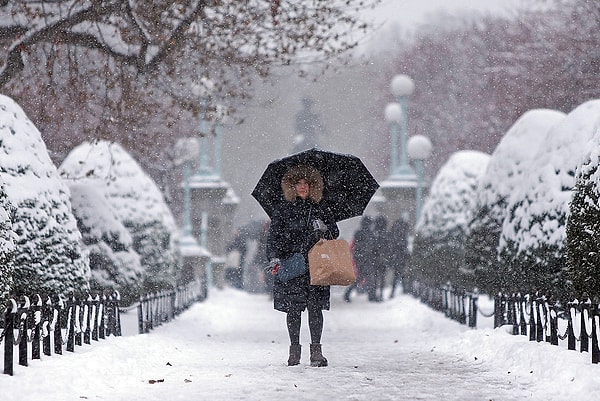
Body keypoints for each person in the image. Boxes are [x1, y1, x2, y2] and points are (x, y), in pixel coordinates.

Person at [266, 164, 339, 367]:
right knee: (293, 309)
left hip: (317, 265)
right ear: (291, 186)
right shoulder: (283, 209)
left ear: (313, 185)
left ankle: (316, 350)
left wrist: (324, 227)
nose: (303, 186)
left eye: (307, 183)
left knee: (315, 309)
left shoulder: (321, 207)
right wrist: (274, 257)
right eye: (298, 183)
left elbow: (335, 232)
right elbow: (273, 237)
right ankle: (294, 350)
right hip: (292, 264)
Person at [344, 216, 373, 302]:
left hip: (358, 257)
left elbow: (353, 245)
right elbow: (371, 246)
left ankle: (347, 294)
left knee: (361, 276)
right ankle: (371, 296)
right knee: (368, 276)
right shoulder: (369, 233)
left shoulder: (358, 233)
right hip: (366, 258)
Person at [388, 214, 410, 299]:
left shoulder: (396, 234)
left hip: (397, 257)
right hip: (399, 257)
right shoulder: (401, 236)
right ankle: (402, 290)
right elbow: (403, 247)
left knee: (398, 274)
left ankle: (396, 291)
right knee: (399, 274)